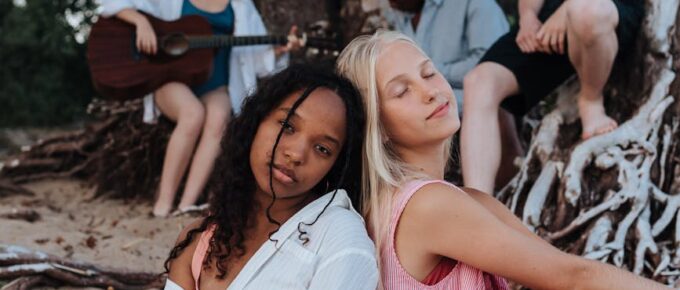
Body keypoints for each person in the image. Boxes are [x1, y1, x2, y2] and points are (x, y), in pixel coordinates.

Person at [337, 30, 666, 290]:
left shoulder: (460, 199)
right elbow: (572, 276)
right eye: (401, 91)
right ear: (376, 127)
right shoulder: (426, 205)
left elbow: (554, 266)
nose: (430, 91)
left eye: (428, 73)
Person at [161, 63, 377, 290]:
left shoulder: (340, 239)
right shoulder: (197, 243)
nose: (295, 154)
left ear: (335, 165)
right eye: (287, 126)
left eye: (322, 149)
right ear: (256, 121)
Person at [99, 0, 301, 216]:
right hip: (170, 79)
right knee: (192, 114)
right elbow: (111, 4)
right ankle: (163, 203)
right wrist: (140, 22)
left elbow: (260, 62)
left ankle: (187, 204)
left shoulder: (242, 5)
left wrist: (280, 51)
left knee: (219, 117)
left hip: (216, 84)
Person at [460, 0, 645, 194]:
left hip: (604, 13)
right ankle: (478, 199)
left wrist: (568, 8)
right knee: (479, 82)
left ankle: (591, 100)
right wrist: (528, 17)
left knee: (586, 11)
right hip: (549, 22)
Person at [381, 0, 508, 113]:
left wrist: (430, 73)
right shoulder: (400, 12)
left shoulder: (475, 4)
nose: (390, 2)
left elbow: (492, 67)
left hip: (478, 111)